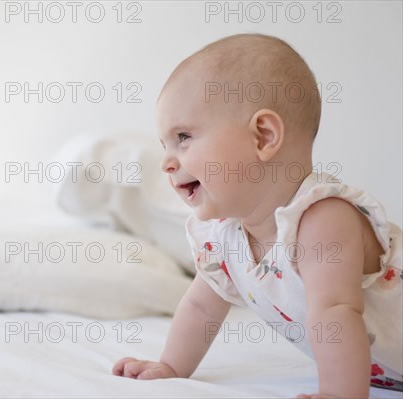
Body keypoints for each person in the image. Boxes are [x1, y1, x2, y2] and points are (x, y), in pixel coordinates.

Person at [111, 33, 403, 398]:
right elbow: (201, 307)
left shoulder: (322, 220)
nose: (167, 162)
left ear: (263, 137)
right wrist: (170, 367)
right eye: (164, 145)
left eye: (183, 136)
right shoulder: (227, 238)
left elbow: (336, 313)